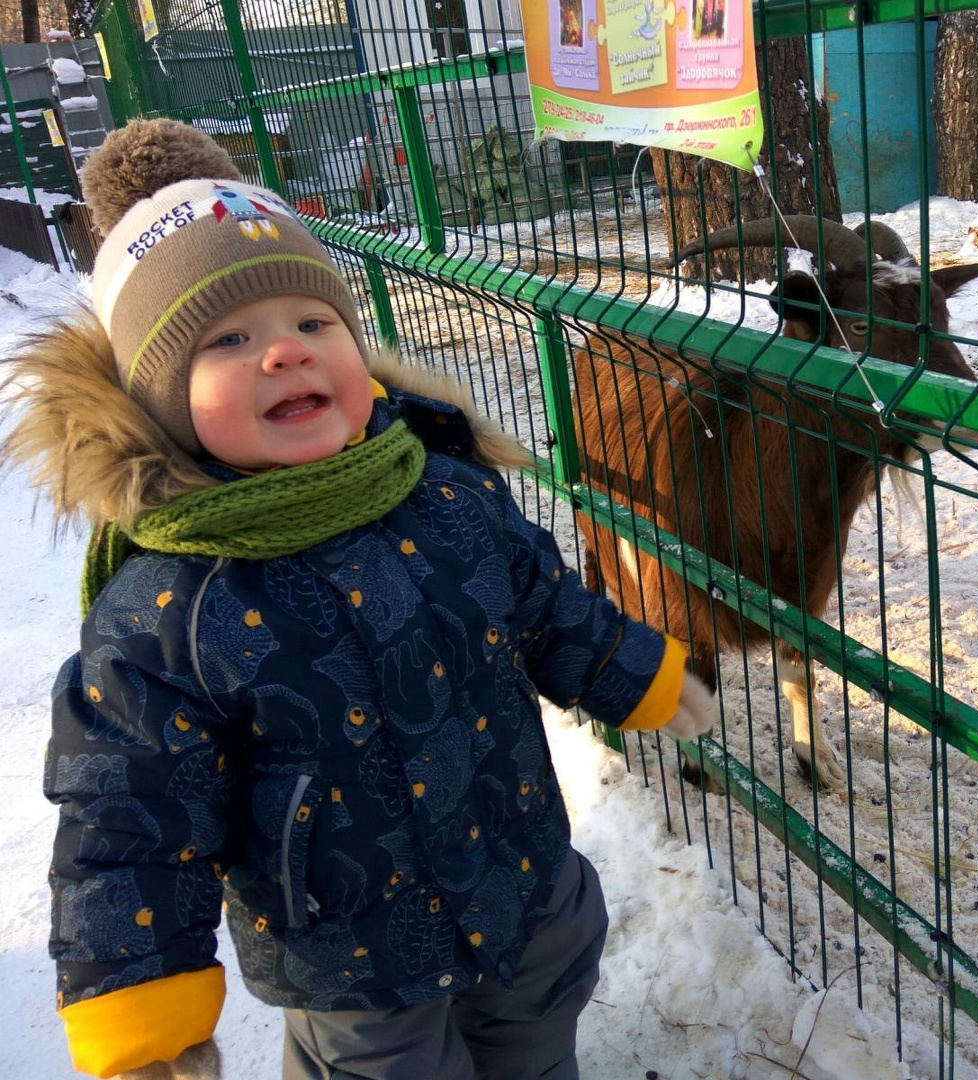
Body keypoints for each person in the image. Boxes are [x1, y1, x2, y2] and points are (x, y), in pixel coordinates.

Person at [2, 118, 718, 1080]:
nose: (286, 353)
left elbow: (544, 607)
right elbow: (129, 815)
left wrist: (640, 676)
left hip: (523, 888)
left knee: (537, 1047)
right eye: (228, 339)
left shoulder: (445, 487)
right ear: (160, 398)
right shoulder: (166, 607)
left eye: (313, 323)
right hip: (352, 960)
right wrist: (140, 994)